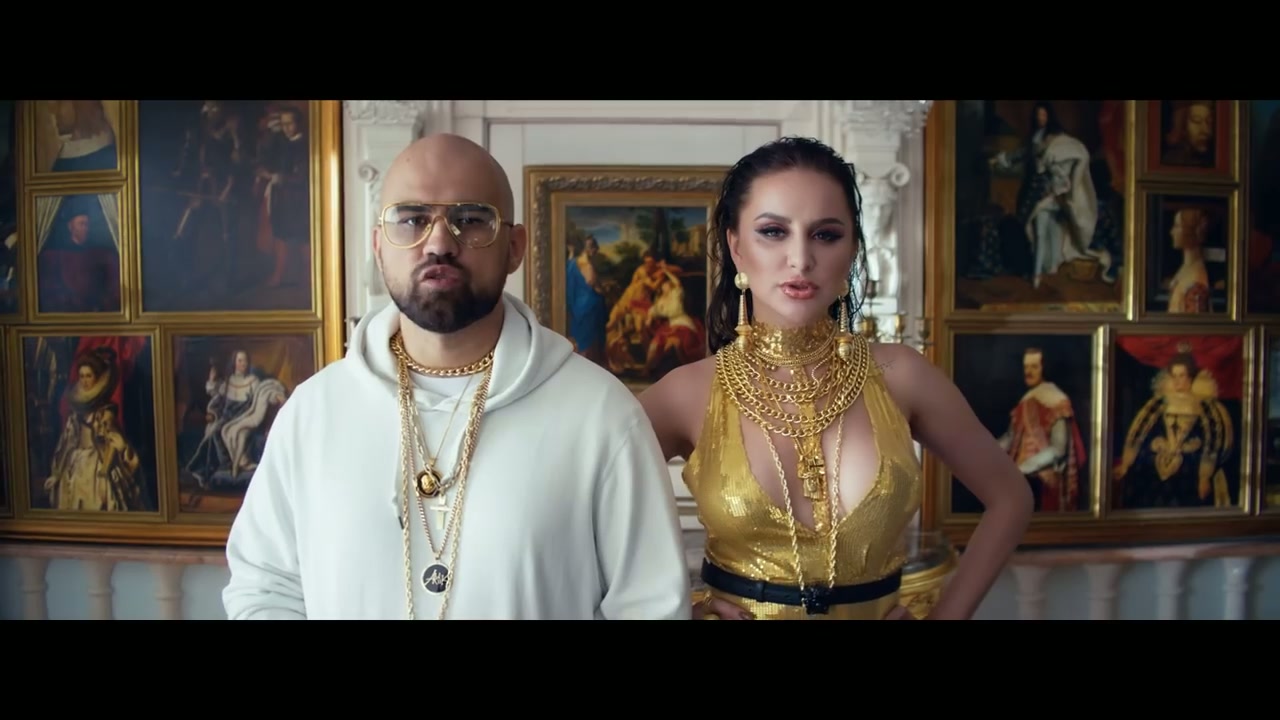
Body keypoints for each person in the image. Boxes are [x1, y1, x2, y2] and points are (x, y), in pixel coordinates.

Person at [222, 133, 692, 620]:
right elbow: (264, 588)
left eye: (470, 219)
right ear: (379, 246)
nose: (439, 243)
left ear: (514, 247)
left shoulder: (601, 414)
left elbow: (651, 607)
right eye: (412, 219)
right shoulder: (313, 412)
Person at [640, 136, 1034, 620]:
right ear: (736, 247)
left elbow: (1010, 497)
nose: (800, 259)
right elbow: (578, 512)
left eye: (825, 235)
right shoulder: (686, 394)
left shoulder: (902, 376)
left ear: (852, 250)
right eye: (773, 232)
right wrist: (678, 609)